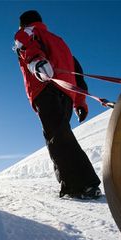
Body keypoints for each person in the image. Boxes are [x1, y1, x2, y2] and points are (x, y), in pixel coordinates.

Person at [13, 10, 102, 199]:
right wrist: (80, 102)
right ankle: (80, 183)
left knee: (57, 137)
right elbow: (76, 71)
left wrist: (37, 63)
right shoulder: (60, 41)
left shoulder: (27, 33)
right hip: (67, 94)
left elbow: (26, 46)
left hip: (46, 87)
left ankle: (80, 185)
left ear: (23, 23)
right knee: (62, 134)